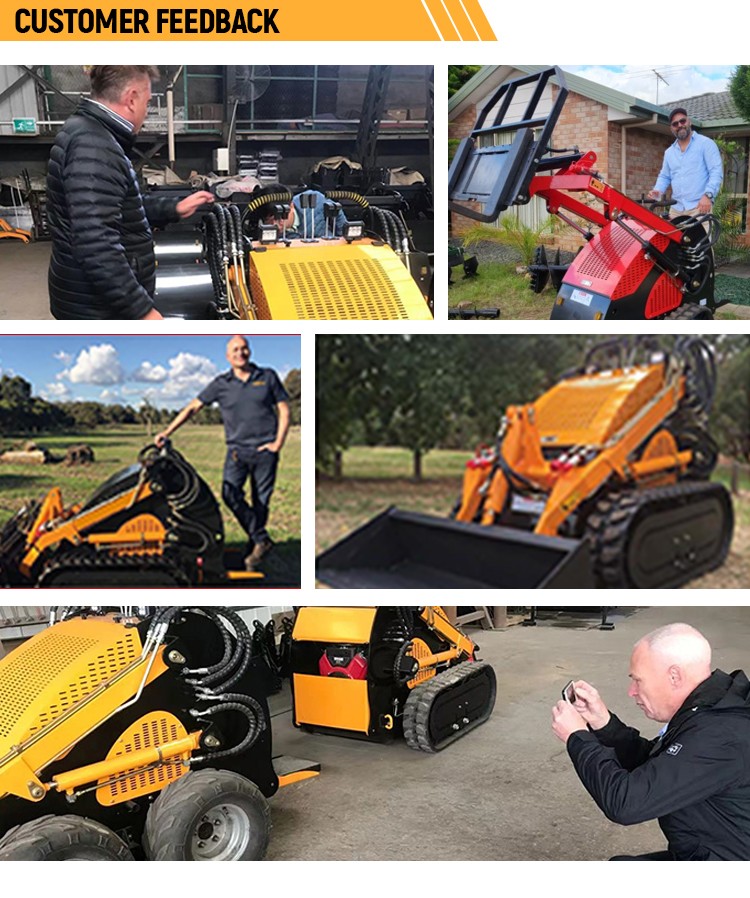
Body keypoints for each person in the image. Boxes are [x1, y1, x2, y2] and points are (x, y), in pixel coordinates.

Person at [551, 623, 750, 861]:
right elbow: (658, 767)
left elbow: (625, 804)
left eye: (638, 680)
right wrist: (602, 722)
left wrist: (577, 737)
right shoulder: (713, 705)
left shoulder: (721, 735)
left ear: (674, 676)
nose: (631, 691)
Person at [47, 65, 214, 319]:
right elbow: (97, 244)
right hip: (95, 310)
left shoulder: (89, 132)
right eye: (147, 102)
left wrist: (173, 208)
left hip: (87, 300)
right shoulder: (94, 146)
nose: (145, 112)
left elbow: (115, 209)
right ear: (132, 98)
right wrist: (143, 311)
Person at [155, 335, 291, 570]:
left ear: (250, 351)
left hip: (265, 452)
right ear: (228, 356)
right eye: (235, 350)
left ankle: (254, 551)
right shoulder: (221, 384)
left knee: (261, 503)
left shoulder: (267, 376)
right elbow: (193, 408)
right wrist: (167, 431)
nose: (240, 353)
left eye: (244, 348)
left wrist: (278, 443)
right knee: (230, 494)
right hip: (237, 451)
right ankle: (261, 539)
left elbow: (284, 409)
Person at [648, 107, 723, 218]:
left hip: (699, 207)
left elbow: (716, 172)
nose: (679, 125)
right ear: (671, 128)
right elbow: (664, 176)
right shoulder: (669, 152)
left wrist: (708, 196)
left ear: (689, 122)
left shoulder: (706, 144)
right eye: (675, 124)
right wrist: (657, 191)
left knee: (701, 236)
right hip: (676, 209)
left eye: (682, 121)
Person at [261, 186, 348, 239]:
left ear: (291, 206)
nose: (275, 225)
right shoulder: (266, 230)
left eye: (279, 218)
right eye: (269, 220)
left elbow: (338, 214)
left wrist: (342, 238)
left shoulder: (315, 200)